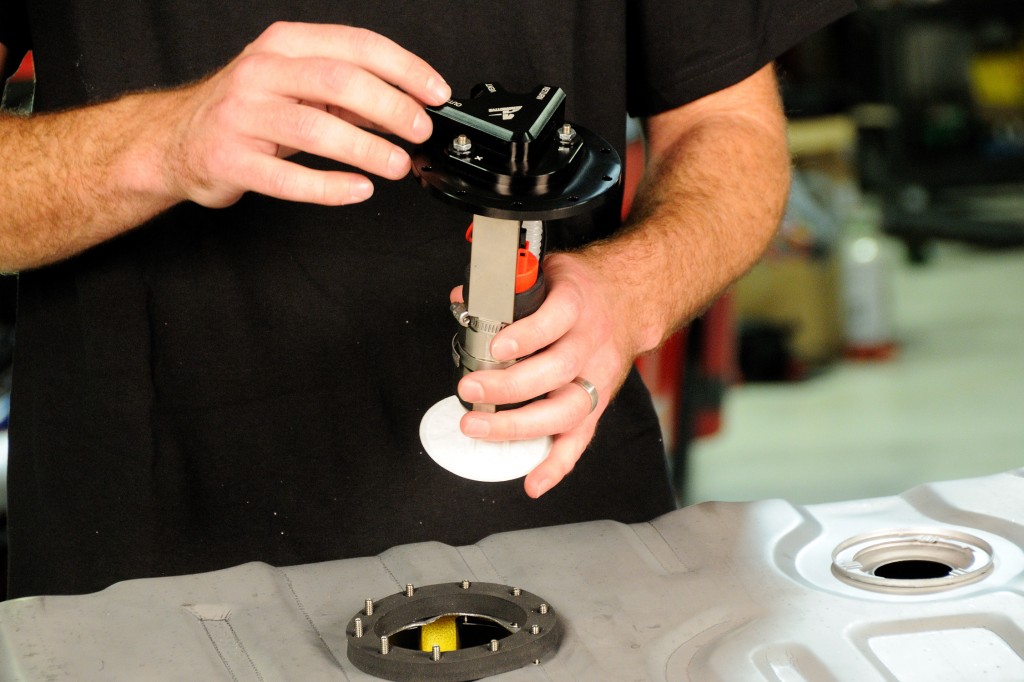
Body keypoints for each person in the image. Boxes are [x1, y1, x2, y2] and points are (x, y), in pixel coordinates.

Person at [0, 1, 853, 598]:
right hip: (143, 555)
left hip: (559, 532)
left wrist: (633, 286)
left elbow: (730, 128)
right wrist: (159, 142)